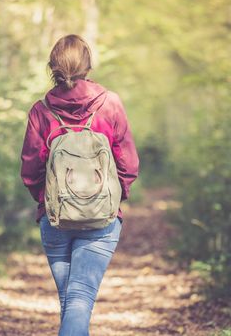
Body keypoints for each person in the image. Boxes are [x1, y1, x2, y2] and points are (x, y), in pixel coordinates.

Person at [20, 34, 139, 336]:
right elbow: (128, 164)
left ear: (53, 66)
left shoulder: (41, 110)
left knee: (71, 302)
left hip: (56, 218)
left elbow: (31, 168)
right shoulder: (110, 104)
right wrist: (114, 196)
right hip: (101, 219)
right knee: (79, 301)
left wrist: (46, 200)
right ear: (88, 65)